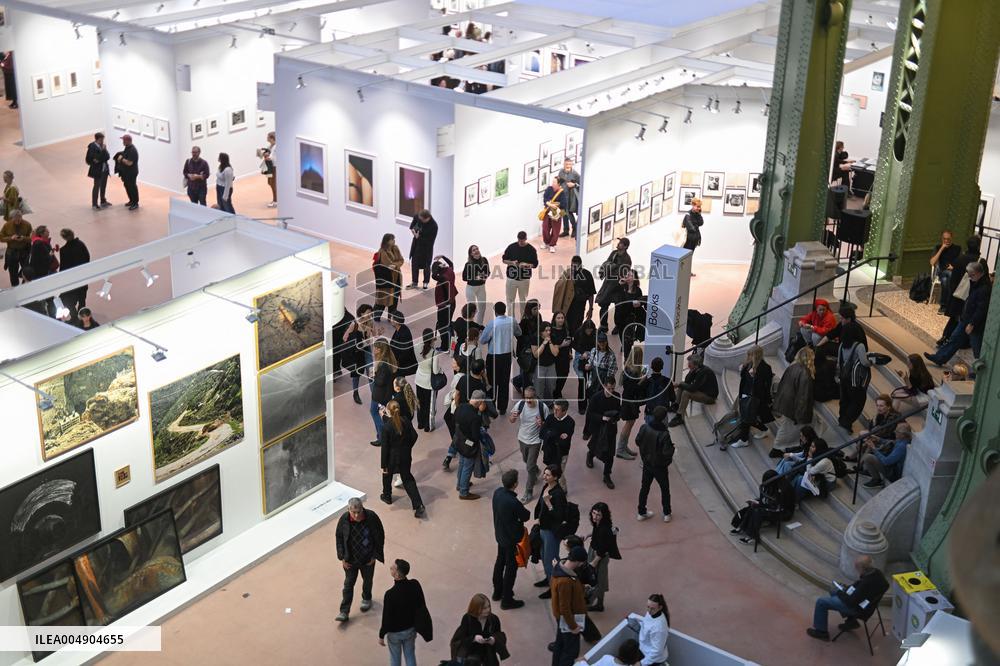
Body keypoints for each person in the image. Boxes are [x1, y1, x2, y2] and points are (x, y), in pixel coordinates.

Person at [806, 555, 888, 641]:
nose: (857, 570)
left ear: (862, 568)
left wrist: (840, 592)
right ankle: (851, 621)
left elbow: (850, 601)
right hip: (865, 604)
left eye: (857, 568)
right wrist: (847, 588)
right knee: (833, 591)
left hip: (858, 609)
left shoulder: (866, 583)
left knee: (821, 602)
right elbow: (860, 586)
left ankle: (821, 632)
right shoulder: (876, 573)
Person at [925, 261, 992, 364]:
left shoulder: (984, 288)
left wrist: (972, 323)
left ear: (977, 273)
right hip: (967, 318)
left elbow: (981, 309)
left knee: (976, 347)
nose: (969, 277)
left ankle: (978, 372)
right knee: (954, 339)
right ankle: (939, 358)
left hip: (974, 322)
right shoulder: (977, 282)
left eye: (971, 275)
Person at [335, 498, 385, 623]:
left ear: (362, 508)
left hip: (367, 559)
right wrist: (342, 557)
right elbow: (339, 537)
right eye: (354, 512)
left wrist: (374, 556)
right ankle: (344, 611)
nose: (356, 515)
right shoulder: (344, 519)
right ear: (349, 510)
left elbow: (380, 536)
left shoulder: (371, 517)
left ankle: (366, 598)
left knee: (367, 581)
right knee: (348, 585)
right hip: (350, 561)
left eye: (359, 511)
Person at [379, 401, 425, 518]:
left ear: (388, 411)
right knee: (407, 479)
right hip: (405, 455)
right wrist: (407, 447)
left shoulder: (386, 428)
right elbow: (414, 436)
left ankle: (387, 496)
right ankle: (418, 505)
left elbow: (385, 448)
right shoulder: (405, 421)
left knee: (387, 475)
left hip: (392, 458)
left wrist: (383, 465)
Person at [492, 469, 530, 609]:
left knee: (499, 562)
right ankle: (507, 599)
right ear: (515, 484)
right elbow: (526, 516)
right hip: (511, 540)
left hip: (500, 535)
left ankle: (497, 592)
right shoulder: (513, 502)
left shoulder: (497, 493)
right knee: (511, 568)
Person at [937, 236, 985, 344]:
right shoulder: (980, 262)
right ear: (978, 246)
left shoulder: (959, 259)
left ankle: (945, 336)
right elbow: (983, 281)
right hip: (971, 296)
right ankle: (957, 341)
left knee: (954, 318)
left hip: (958, 294)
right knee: (965, 320)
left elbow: (953, 280)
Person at [379, 559, 426, 666]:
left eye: (392, 568)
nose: (390, 568)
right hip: (410, 629)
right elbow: (420, 605)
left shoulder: (390, 594)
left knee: (395, 658)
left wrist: (381, 635)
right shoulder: (414, 585)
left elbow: (387, 617)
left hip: (395, 633)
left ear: (397, 574)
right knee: (410, 655)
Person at [731, 469, 796, 544]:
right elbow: (767, 500)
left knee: (758, 511)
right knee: (750, 508)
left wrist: (763, 506)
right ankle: (741, 526)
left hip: (783, 512)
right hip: (772, 506)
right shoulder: (772, 485)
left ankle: (753, 537)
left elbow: (779, 506)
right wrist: (758, 503)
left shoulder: (784, 489)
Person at [549, 546, 589, 666]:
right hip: (569, 619)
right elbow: (564, 608)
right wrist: (573, 626)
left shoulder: (560, 569)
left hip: (562, 617)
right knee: (571, 651)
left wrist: (580, 588)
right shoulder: (564, 581)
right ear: (578, 562)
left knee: (560, 644)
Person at [635, 406, 675, 523]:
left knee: (644, 488)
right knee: (665, 489)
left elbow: (637, 441)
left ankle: (641, 512)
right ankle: (667, 513)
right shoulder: (664, 434)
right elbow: (667, 453)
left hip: (647, 463)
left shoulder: (644, 427)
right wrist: (672, 449)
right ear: (663, 418)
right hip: (659, 467)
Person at [510, 386, 549, 502]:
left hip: (535, 441)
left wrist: (541, 423)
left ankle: (529, 491)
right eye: (526, 397)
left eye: (531, 398)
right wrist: (512, 417)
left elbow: (548, 426)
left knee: (529, 466)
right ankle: (536, 471)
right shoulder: (520, 405)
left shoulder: (542, 407)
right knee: (526, 461)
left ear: (535, 396)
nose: (528, 400)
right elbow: (511, 420)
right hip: (522, 439)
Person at [481, 302, 520, 415]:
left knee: (492, 381)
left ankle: (492, 406)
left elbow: (483, 340)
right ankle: (502, 407)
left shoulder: (492, 324)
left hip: (494, 356)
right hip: (507, 356)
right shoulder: (512, 320)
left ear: (495, 311)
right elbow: (519, 332)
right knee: (504, 382)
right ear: (505, 310)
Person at [454, 390, 494, 500]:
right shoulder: (475, 417)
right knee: (467, 467)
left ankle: (459, 484)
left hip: (459, 441)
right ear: (480, 401)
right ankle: (464, 492)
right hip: (469, 445)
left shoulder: (461, 407)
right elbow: (475, 436)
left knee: (462, 463)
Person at [771, 346, 815, 447]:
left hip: (785, 403)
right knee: (786, 428)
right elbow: (803, 397)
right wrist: (799, 416)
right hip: (793, 408)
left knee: (816, 422)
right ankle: (776, 447)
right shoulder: (805, 373)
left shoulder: (792, 367)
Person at [534, 465, 568, 594]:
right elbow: (540, 504)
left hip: (551, 531)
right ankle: (549, 578)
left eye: (548, 475)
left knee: (551, 559)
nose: (544, 476)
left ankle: (554, 585)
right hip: (543, 527)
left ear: (555, 477)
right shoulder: (546, 486)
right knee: (544, 556)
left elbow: (559, 516)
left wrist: (548, 504)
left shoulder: (558, 494)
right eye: (544, 473)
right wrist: (538, 517)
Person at [836, 318, 874, 431]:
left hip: (844, 377)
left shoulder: (842, 345)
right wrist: (871, 361)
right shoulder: (859, 346)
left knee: (845, 399)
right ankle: (846, 421)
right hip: (855, 380)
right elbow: (864, 362)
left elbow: (839, 361)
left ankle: (842, 418)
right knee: (858, 401)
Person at [450, 593, 510, 665]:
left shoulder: (494, 619)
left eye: (488, 606)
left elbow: (499, 635)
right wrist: (474, 638)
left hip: (488, 654)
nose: (488, 610)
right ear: (475, 608)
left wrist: (493, 640)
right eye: (484, 608)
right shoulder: (467, 619)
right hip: (471, 654)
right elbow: (461, 639)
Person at [584, 376, 621, 490]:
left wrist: (615, 418)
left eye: (613, 389)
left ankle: (607, 475)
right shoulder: (596, 397)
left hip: (610, 429)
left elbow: (618, 412)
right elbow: (589, 414)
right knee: (595, 446)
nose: (611, 391)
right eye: (609, 388)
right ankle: (590, 455)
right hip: (598, 428)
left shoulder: (617, 397)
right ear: (604, 386)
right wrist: (602, 418)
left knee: (610, 453)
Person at [666, 354, 718, 428]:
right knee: (682, 385)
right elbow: (687, 381)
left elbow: (692, 388)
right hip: (701, 391)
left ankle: (679, 416)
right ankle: (676, 405)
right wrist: (690, 371)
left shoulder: (704, 372)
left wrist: (678, 385)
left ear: (696, 365)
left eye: (690, 364)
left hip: (709, 396)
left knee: (686, 393)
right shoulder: (696, 369)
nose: (688, 365)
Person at [585, 502, 620, 612]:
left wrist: (595, 561)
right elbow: (597, 531)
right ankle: (600, 604)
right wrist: (588, 535)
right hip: (594, 550)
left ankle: (589, 602)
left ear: (603, 515)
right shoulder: (598, 523)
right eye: (593, 513)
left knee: (599, 581)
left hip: (599, 555)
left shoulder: (605, 529)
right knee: (598, 580)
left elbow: (604, 548)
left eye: (598, 514)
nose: (594, 517)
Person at [859, 422, 911, 488]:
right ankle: (865, 469)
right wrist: (878, 439)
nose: (894, 432)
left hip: (893, 473)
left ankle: (876, 480)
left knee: (868, 457)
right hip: (890, 467)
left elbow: (886, 462)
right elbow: (891, 442)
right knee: (870, 449)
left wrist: (874, 449)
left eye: (897, 431)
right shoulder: (902, 440)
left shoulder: (902, 446)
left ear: (903, 435)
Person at [553, 256, 595, 335]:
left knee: (577, 326)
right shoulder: (567, 273)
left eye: (575, 266)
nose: (573, 268)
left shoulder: (587, 274)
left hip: (579, 305)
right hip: (567, 305)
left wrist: (590, 309)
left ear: (580, 265)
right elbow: (559, 287)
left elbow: (591, 293)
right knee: (566, 326)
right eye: (572, 265)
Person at [502, 231, 538, 320]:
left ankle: (523, 320)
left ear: (526, 239)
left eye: (522, 240)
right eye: (519, 240)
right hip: (512, 278)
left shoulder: (531, 249)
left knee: (523, 301)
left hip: (524, 279)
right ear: (517, 239)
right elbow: (504, 260)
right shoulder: (511, 247)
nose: (521, 242)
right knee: (510, 301)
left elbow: (535, 264)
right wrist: (512, 263)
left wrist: (527, 265)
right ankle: (511, 320)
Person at [785, 438, 836, 502]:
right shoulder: (817, 455)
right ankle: (787, 492)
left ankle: (795, 500)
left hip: (827, 483)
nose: (810, 448)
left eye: (813, 447)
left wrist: (809, 458)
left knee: (801, 479)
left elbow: (809, 472)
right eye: (811, 446)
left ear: (819, 449)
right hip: (819, 475)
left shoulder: (824, 461)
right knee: (789, 465)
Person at [596, 239, 631, 331]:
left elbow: (623, 273)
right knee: (603, 305)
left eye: (621, 244)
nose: (618, 244)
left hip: (618, 287)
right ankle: (603, 326)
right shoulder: (614, 253)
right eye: (619, 243)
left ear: (625, 246)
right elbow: (607, 262)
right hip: (608, 283)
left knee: (618, 308)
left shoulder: (627, 259)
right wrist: (605, 269)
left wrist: (613, 269)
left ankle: (618, 326)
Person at [343, 304, 375, 404]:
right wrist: (355, 341)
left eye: (371, 312)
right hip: (357, 353)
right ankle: (355, 393)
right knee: (356, 374)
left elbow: (373, 336)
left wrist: (376, 333)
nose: (370, 314)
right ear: (361, 313)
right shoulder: (354, 324)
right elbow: (345, 338)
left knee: (371, 374)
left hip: (367, 350)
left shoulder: (371, 322)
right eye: (368, 312)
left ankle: (375, 397)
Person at [541, 400, 575, 493]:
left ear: (564, 411)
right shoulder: (550, 418)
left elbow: (564, 442)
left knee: (558, 473)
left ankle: (563, 489)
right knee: (550, 471)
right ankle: (552, 486)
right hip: (549, 451)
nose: (554, 411)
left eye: (557, 410)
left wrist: (550, 434)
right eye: (554, 409)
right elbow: (542, 434)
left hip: (561, 453)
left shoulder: (570, 422)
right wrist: (556, 435)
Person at [625, 594, 670, 666]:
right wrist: (635, 624)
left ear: (660, 607)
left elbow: (657, 651)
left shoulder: (659, 628)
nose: (649, 610)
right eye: (648, 607)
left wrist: (641, 663)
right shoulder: (651, 613)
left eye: (652, 608)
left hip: (653, 659)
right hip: (645, 651)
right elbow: (646, 625)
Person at [57, 228, 91, 319]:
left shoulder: (63, 250)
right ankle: (83, 314)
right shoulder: (81, 244)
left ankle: (75, 316)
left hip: (71, 278)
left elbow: (63, 266)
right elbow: (87, 257)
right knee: (82, 297)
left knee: (70, 298)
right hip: (82, 275)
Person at [370, 340, 398, 445]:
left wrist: (374, 375)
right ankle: (382, 436)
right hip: (385, 394)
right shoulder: (389, 360)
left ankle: (382, 437)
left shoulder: (383, 364)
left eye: (375, 348)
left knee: (375, 413)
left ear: (380, 350)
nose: (374, 350)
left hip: (379, 395)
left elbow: (380, 381)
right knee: (379, 413)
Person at [616, 356, 644, 460]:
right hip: (630, 401)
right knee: (629, 424)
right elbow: (634, 389)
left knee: (630, 424)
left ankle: (624, 446)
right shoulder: (633, 373)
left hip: (627, 400)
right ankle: (620, 449)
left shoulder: (627, 369)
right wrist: (643, 380)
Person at [614, 270, 645, 359]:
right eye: (627, 275)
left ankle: (627, 358)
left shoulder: (638, 290)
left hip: (630, 318)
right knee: (622, 336)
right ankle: (625, 346)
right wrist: (619, 285)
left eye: (630, 275)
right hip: (620, 317)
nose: (627, 276)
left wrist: (640, 303)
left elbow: (640, 302)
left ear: (634, 278)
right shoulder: (621, 288)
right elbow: (616, 298)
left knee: (628, 339)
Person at [414, 329, 441, 432]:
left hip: (419, 379)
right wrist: (441, 370)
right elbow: (435, 370)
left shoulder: (417, 347)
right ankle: (428, 426)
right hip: (429, 383)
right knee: (430, 405)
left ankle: (420, 423)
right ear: (432, 339)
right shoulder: (434, 353)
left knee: (420, 403)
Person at [374, 233, 405, 321]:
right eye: (392, 239)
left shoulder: (395, 248)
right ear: (387, 241)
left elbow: (401, 260)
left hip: (397, 279)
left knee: (394, 300)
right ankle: (376, 317)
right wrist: (396, 265)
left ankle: (391, 318)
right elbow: (388, 265)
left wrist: (395, 265)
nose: (394, 241)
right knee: (383, 301)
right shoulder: (382, 251)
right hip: (387, 279)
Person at [929, 229, 961, 313]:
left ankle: (943, 306)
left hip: (953, 272)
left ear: (952, 238)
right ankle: (949, 304)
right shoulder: (938, 247)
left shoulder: (957, 248)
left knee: (945, 280)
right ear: (941, 238)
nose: (946, 241)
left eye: (948, 239)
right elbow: (932, 262)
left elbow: (961, 262)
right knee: (947, 276)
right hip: (941, 271)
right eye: (944, 239)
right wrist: (941, 249)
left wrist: (954, 267)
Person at [514, 299, 542, 392]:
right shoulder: (525, 321)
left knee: (531, 370)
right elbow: (520, 336)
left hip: (535, 346)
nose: (537, 311)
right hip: (525, 350)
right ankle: (526, 392)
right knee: (526, 370)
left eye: (538, 308)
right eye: (534, 309)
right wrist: (528, 346)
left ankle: (516, 382)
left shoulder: (538, 316)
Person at [572, 319, 598, 414]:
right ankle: (582, 406)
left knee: (592, 382)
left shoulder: (595, 333)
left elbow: (598, 346)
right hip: (580, 358)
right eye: (587, 330)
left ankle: (591, 403)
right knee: (582, 382)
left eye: (590, 330)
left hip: (592, 358)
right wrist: (583, 352)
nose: (589, 332)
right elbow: (574, 344)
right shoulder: (578, 332)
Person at [407, 209, 438, 289]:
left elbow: (430, 241)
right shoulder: (418, 217)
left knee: (426, 265)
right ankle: (414, 282)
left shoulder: (434, 226)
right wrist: (414, 233)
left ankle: (425, 282)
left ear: (427, 218)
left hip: (427, 248)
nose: (420, 220)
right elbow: (412, 227)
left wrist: (418, 237)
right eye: (419, 219)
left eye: (422, 220)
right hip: (417, 244)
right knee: (414, 263)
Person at [0, 208, 31, 286]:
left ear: (21, 217)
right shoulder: (7, 225)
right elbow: (1, 238)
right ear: (11, 218)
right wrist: (11, 238)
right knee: (13, 272)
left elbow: (31, 238)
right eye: (16, 220)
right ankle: (15, 287)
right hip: (12, 252)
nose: (18, 221)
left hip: (24, 251)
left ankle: (26, 285)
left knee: (27, 270)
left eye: (19, 219)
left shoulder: (27, 225)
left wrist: (24, 238)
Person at [434, 255, 458, 352]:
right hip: (452, 303)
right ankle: (452, 344)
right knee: (448, 325)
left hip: (444, 306)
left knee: (442, 327)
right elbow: (451, 264)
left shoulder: (442, 278)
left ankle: (445, 347)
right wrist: (443, 257)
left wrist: (437, 268)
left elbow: (433, 276)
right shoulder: (449, 271)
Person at [462, 245, 490, 325]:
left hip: (481, 287)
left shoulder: (484, 260)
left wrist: (485, 277)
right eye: (474, 250)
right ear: (471, 254)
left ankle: (479, 326)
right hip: (471, 289)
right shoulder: (468, 264)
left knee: (482, 308)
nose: (476, 250)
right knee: (472, 309)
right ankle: (471, 327)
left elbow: (488, 272)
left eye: (477, 249)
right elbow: (464, 278)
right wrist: (475, 278)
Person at [533, 322, 560, 403]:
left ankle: (549, 403)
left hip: (551, 366)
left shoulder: (554, 338)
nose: (548, 332)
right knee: (539, 387)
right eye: (546, 330)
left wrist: (550, 342)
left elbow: (555, 353)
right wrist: (544, 344)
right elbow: (536, 355)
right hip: (539, 366)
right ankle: (539, 404)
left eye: (549, 330)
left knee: (551, 386)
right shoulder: (535, 338)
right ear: (541, 331)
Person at [549, 312, 573, 399]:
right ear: (554, 319)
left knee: (565, 374)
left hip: (565, 356)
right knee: (556, 376)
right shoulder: (551, 331)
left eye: (562, 318)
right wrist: (562, 345)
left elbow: (569, 342)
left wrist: (569, 350)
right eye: (558, 318)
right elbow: (550, 346)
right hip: (555, 357)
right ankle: (555, 393)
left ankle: (558, 391)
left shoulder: (566, 330)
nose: (560, 320)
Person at [85, 132, 112, 210]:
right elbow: (92, 159)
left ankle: (103, 201)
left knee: (103, 186)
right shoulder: (92, 147)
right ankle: (94, 204)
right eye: (102, 139)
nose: (103, 141)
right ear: (98, 139)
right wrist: (102, 154)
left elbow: (107, 157)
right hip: (97, 170)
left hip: (104, 170)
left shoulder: (102, 147)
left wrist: (103, 153)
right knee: (96, 186)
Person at [641, 357, 672, 423]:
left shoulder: (647, 382)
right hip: (662, 413)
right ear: (662, 367)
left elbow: (642, 398)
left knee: (649, 431)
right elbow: (673, 398)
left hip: (650, 412)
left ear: (651, 367)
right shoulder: (667, 381)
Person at [388, 310, 417, 377]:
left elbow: (405, 352)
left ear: (396, 321)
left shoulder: (404, 334)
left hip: (402, 364)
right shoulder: (399, 329)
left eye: (392, 318)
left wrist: (396, 363)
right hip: (397, 362)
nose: (390, 320)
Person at [541, 175, 567, 251]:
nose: (552, 183)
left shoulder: (562, 192)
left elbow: (563, 204)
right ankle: (546, 242)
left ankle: (552, 245)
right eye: (553, 181)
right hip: (548, 211)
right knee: (545, 227)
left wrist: (553, 204)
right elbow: (545, 198)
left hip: (557, 213)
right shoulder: (549, 189)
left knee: (555, 230)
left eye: (554, 182)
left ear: (559, 184)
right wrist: (549, 204)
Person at [114, 134, 140, 210]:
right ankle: (131, 200)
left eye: (124, 140)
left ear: (128, 141)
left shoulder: (132, 150)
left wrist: (121, 159)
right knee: (127, 186)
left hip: (131, 172)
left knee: (132, 187)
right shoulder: (127, 148)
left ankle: (135, 203)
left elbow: (129, 163)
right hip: (126, 172)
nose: (123, 141)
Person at [558, 158, 581, 238]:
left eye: (569, 164)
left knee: (569, 213)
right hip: (562, 196)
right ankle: (565, 230)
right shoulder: (561, 172)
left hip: (571, 197)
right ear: (564, 164)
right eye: (566, 164)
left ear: (572, 165)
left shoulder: (575, 174)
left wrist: (574, 185)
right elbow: (559, 182)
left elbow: (581, 184)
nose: (568, 166)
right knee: (563, 213)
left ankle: (574, 229)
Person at [681, 198, 703, 273]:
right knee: (685, 256)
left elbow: (701, 223)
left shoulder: (697, 214)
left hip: (694, 239)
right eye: (697, 206)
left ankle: (687, 272)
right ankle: (683, 272)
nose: (698, 208)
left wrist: (699, 214)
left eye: (699, 207)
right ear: (693, 205)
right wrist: (696, 225)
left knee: (690, 256)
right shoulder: (688, 215)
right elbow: (691, 228)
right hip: (688, 239)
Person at [257, 131, 277, 207]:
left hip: (273, 167)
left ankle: (276, 200)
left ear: (271, 138)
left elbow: (272, 158)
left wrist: (266, 156)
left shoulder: (276, 147)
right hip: (269, 167)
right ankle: (275, 199)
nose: (267, 138)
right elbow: (266, 154)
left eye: (268, 137)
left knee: (273, 183)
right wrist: (262, 154)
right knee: (270, 183)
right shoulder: (270, 145)